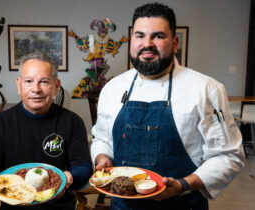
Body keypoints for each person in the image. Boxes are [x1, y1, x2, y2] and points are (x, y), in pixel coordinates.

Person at [90, 2, 245, 210]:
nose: (147, 44)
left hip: (183, 203)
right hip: (123, 204)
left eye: (158, 36)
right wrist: (102, 158)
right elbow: (102, 138)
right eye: (140, 35)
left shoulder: (206, 89)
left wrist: (184, 184)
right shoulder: (113, 88)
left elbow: (229, 155)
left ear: (174, 43)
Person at [0, 52, 93, 210]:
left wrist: (69, 179)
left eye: (44, 82)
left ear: (56, 86)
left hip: (61, 206)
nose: (36, 89)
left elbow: (84, 169)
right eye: (29, 81)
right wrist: (2, 187)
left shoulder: (72, 122)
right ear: (19, 85)